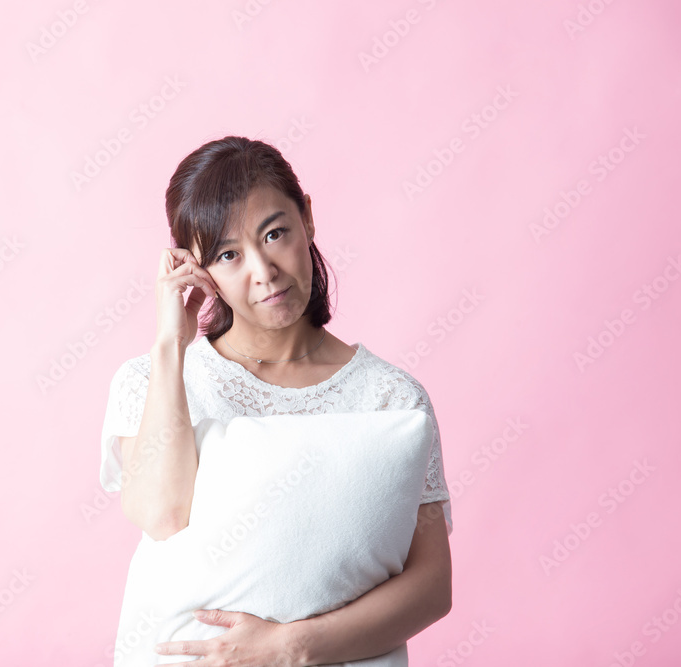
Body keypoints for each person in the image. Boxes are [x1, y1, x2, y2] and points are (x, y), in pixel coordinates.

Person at [99, 136, 452, 665]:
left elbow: (431, 586)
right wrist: (171, 345)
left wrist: (292, 647)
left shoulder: (391, 399)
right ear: (195, 268)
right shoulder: (152, 381)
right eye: (228, 255)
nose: (263, 271)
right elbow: (161, 514)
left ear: (307, 217)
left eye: (274, 233)